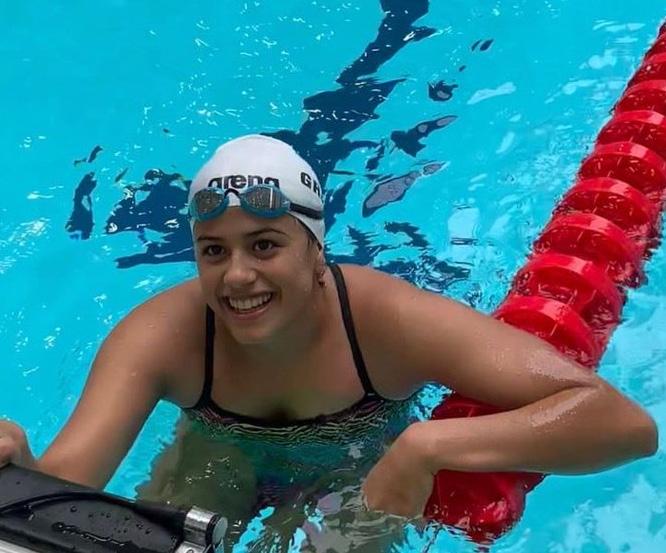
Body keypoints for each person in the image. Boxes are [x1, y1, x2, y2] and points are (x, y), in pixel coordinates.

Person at [0, 134, 658, 528]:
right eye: (213, 251)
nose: (236, 275)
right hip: (215, 457)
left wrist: (426, 447)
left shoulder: (390, 322)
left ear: (317, 251)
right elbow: (63, 495)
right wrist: (20, 466)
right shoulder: (158, 336)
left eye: (264, 245)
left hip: (360, 467)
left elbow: (622, 424)